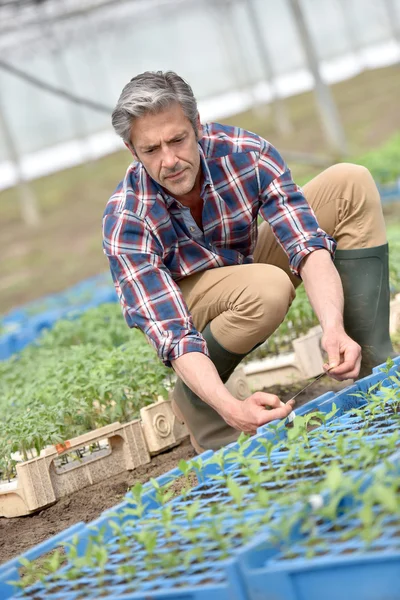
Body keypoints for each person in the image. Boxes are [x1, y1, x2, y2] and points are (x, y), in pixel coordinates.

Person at [103, 70, 394, 453]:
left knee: (348, 183)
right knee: (266, 289)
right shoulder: (127, 218)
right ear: (132, 150)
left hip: (243, 265)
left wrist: (333, 328)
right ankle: (198, 404)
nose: (170, 160)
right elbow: (171, 332)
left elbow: (305, 243)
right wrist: (230, 408)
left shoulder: (244, 153)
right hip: (191, 300)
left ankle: (372, 362)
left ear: (197, 126)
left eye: (178, 140)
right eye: (151, 150)